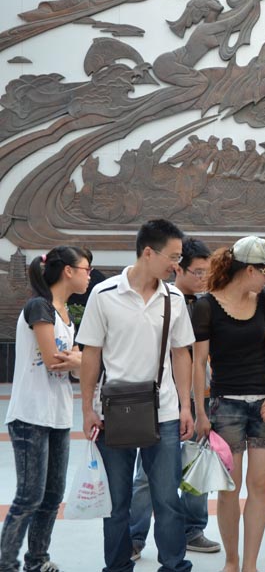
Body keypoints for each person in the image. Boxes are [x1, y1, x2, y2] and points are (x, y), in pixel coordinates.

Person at [77, 219, 196, 572]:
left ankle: (173, 565)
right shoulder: (104, 294)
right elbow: (91, 354)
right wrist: (87, 409)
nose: (177, 265)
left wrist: (186, 406)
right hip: (114, 412)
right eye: (173, 257)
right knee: (116, 503)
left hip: (165, 412)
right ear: (148, 253)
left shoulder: (174, 298)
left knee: (167, 499)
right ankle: (116, 566)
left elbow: (181, 354)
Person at [192, 237, 265, 572]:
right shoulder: (206, 306)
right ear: (249, 270)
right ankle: (231, 561)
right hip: (226, 405)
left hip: (264, 404)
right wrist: (200, 411)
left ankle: (250, 564)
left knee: (260, 485)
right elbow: (199, 362)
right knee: (229, 488)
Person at [130, 238, 220, 560]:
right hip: (163, 398)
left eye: (207, 272)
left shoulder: (208, 305)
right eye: (198, 272)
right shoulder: (162, 300)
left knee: (197, 464)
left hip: (201, 396)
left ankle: (192, 529)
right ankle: (134, 536)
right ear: (178, 269)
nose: (204, 279)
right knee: (147, 473)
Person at [1, 247, 88, 572]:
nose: (88, 275)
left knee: (52, 496)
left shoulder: (65, 314)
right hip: (30, 415)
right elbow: (54, 361)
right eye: (85, 269)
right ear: (68, 271)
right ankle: (6, 563)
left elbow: (75, 368)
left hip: (59, 415)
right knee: (29, 496)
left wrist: (78, 361)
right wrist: (81, 360)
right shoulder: (39, 306)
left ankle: (37, 560)